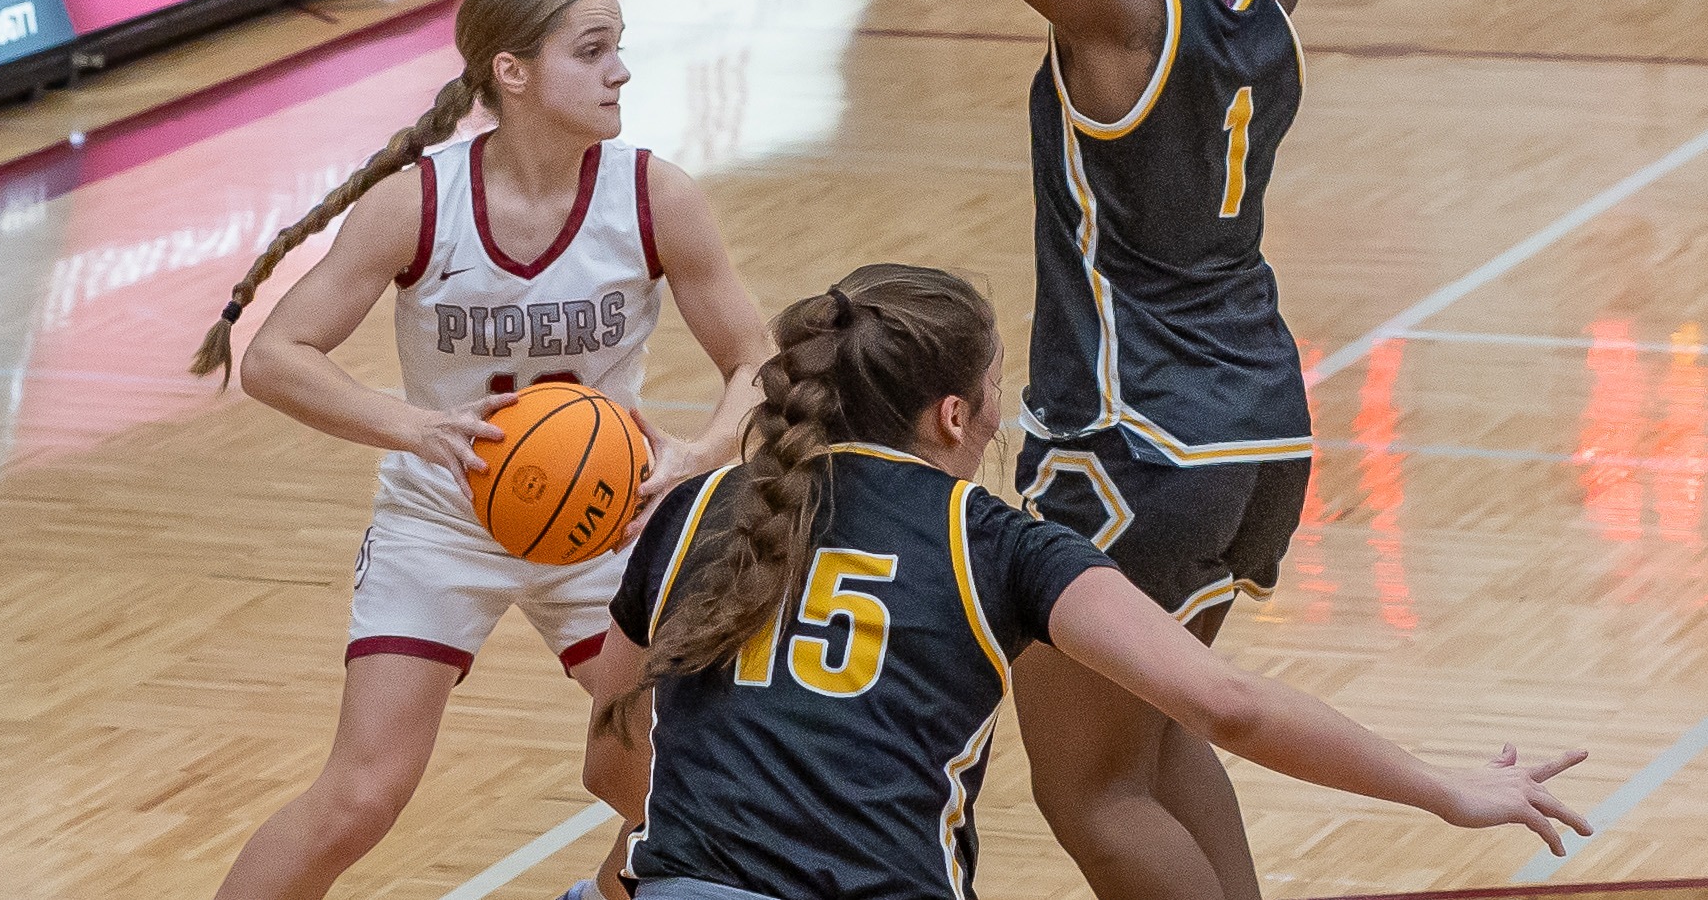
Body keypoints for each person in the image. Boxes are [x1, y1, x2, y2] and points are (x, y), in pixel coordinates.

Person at [581, 264, 1590, 900]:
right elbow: (1225, 704)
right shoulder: (997, 542)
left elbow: (609, 759)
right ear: (950, 415)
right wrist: (1441, 785)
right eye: (993, 387)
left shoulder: (696, 509)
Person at [187, 0, 770, 900]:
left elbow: (756, 361)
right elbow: (274, 356)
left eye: (618, 48)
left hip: (606, 529)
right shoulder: (417, 203)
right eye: (592, 52)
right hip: (444, 523)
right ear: (513, 72)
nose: (621, 71)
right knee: (361, 797)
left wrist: (699, 455)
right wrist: (417, 429)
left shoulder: (656, 196)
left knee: (680, 784)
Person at [884, 0, 1317, 895]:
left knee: (1091, 789)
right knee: (1161, 731)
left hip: (1134, 444)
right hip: (1257, 434)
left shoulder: (1121, 18)